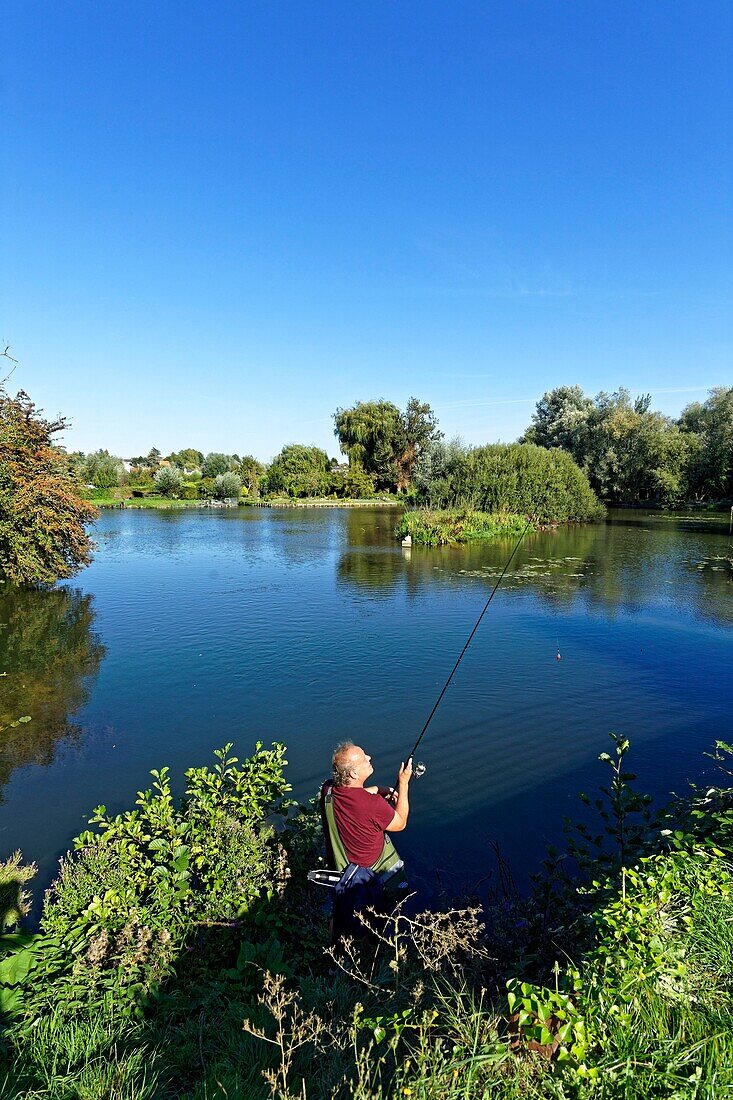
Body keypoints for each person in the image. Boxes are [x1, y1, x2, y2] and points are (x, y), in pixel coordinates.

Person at [320, 743, 413, 941]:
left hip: (341, 870)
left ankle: (332, 954)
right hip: (366, 879)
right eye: (364, 758)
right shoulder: (373, 805)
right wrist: (403, 784)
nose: (369, 757)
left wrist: (377, 789)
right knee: (371, 926)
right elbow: (400, 823)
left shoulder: (328, 791)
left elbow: (352, 796)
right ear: (353, 773)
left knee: (340, 916)